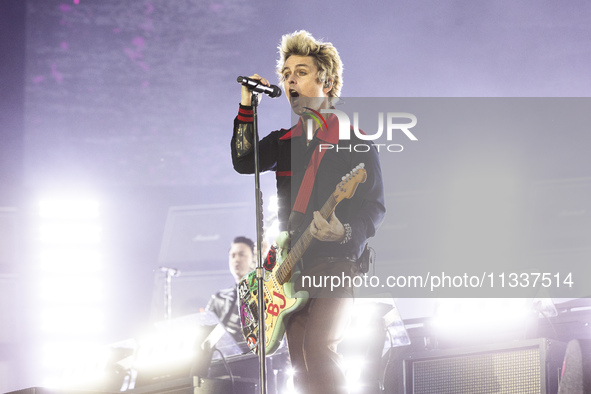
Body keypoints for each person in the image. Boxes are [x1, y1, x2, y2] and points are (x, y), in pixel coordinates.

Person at [231, 30, 385, 394]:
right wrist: (246, 105)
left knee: (319, 349)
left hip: (335, 263)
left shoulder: (355, 138)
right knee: (299, 363)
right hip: (290, 269)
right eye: (286, 75)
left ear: (326, 80)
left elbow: (375, 206)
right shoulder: (285, 142)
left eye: (300, 72)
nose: (289, 81)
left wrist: (343, 232)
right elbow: (242, 160)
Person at [206, 236, 255, 345]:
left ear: (253, 259)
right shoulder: (219, 297)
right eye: (233, 256)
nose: (236, 259)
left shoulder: (262, 295)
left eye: (242, 255)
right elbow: (205, 329)